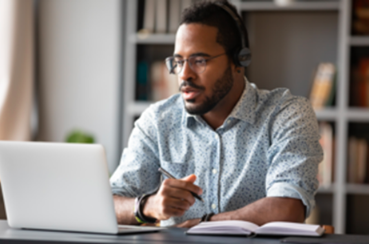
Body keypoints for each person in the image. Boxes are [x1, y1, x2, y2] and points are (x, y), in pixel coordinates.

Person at [110, 0, 323, 228]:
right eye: (179, 62)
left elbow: (287, 209)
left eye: (199, 61)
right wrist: (147, 206)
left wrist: (204, 224)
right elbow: (108, 204)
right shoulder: (157, 121)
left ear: (239, 60)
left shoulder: (287, 115)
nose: (184, 75)